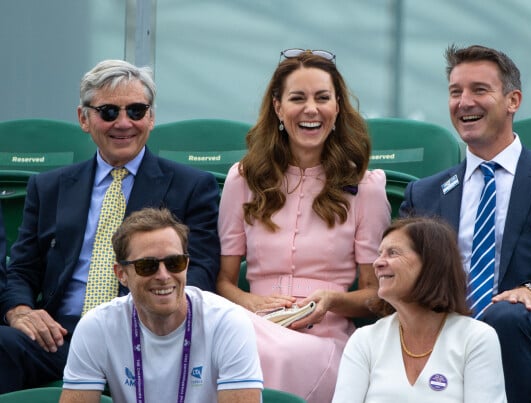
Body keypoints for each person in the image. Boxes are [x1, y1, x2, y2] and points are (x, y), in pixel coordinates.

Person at [0, 59, 221, 393]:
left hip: (146, 332)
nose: (123, 123)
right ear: (84, 119)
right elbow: (22, 269)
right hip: (61, 335)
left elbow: (199, 272)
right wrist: (20, 311)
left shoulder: (191, 186)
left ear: (151, 117)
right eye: (108, 112)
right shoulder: (48, 188)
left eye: (135, 111)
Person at [400, 44, 531, 402]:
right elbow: (404, 276)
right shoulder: (424, 193)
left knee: (506, 317)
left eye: (479, 90)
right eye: (456, 92)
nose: (464, 102)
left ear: (513, 100)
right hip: (442, 334)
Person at [217, 48, 391, 402]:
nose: (311, 109)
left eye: (322, 98)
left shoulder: (366, 187)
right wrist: (249, 302)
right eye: (298, 98)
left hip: (323, 339)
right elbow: (222, 281)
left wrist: (331, 301)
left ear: (337, 107)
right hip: (253, 324)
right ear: (279, 108)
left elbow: (376, 296)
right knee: (230, 341)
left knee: (274, 354)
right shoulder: (243, 179)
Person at [59, 207, 262, 403]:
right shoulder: (97, 326)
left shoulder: (227, 322)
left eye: (175, 263)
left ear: (187, 264)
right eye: (147, 266)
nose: (164, 276)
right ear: (121, 274)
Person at [332, 217, 507, 403]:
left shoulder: (476, 338)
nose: (377, 263)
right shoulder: (364, 340)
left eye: (392, 253)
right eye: (379, 253)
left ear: (431, 264)